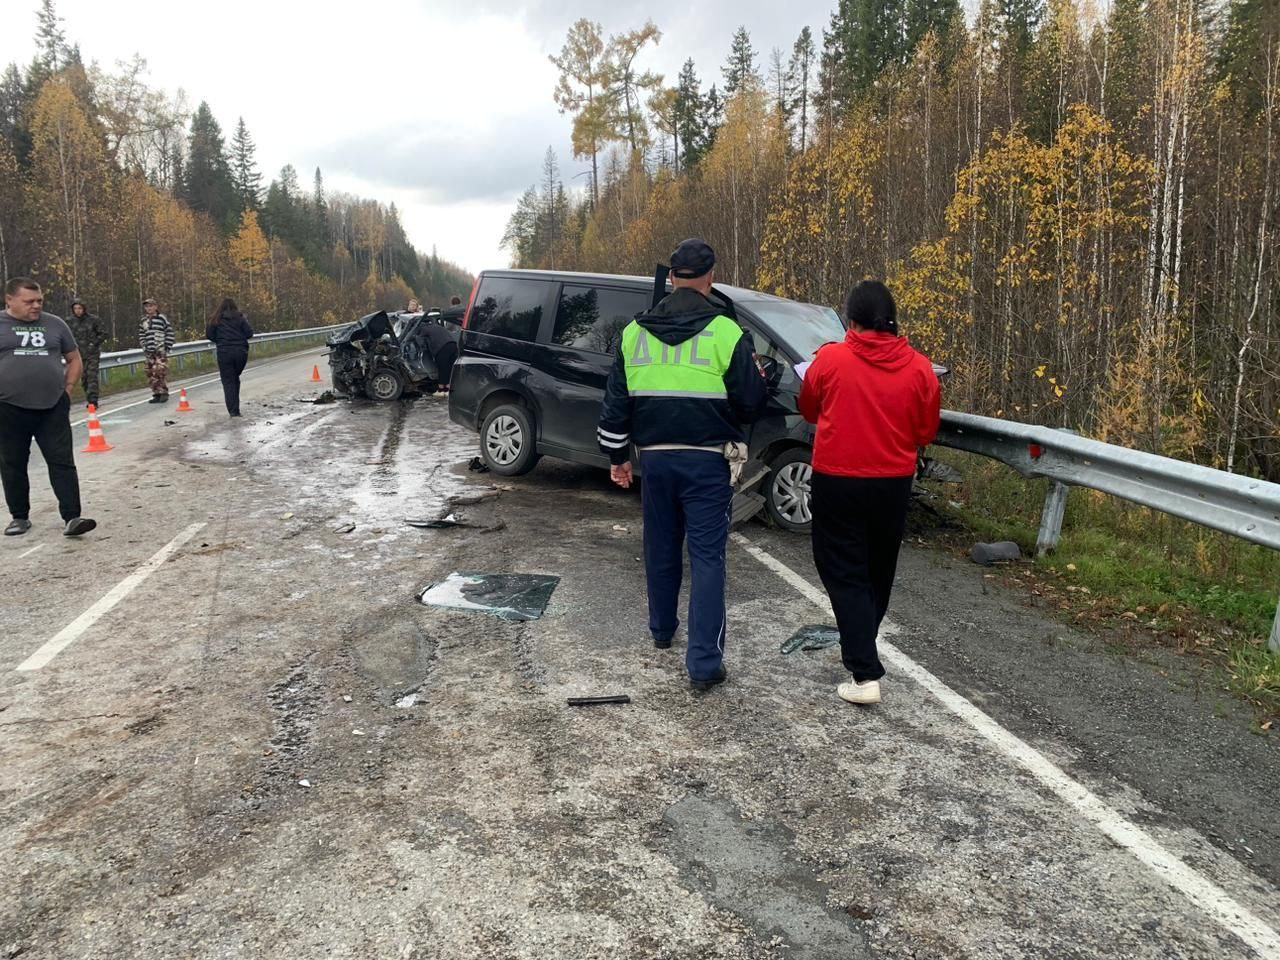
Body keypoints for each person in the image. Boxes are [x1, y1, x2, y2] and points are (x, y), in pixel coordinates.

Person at [599, 238, 769, 692]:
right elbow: (750, 403)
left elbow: (615, 405)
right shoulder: (727, 333)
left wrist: (618, 458)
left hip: (654, 461)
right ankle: (704, 663)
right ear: (710, 277)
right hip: (707, 462)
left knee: (660, 544)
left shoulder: (634, 333)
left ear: (671, 277)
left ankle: (661, 630)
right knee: (708, 557)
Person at [797, 280, 941, 706]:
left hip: (838, 477)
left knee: (841, 568)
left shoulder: (831, 359)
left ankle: (864, 672)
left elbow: (809, 407)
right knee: (878, 568)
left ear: (851, 320)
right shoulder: (920, 368)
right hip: (893, 481)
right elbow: (925, 431)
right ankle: (863, 641)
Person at [0, 278, 97, 537]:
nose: (36, 306)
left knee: (62, 461)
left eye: (39, 301)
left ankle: (72, 517)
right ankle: (19, 517)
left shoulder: (55, 324)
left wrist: (68, 389)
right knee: (13, 463)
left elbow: (74, 358)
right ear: (9, 300)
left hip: (52, 405)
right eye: (29, 301)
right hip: (9, 407)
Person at [206, 298, 254, 417]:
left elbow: (209, 335)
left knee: (228, 381)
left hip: (224, 352)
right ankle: (235, 408)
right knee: (234, 378)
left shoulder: (216, 319)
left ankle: (233, 411)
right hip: (241, 352)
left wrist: (220, 341)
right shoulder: (240, 318)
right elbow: (249, 333)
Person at [68, 298, 107, 409]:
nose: (77, 311)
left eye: (80, 308)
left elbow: (103, 333)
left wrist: (93, 343)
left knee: (91, 376)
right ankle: (88, 397)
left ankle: (93, 401)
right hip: (78, 355)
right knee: (84, 378)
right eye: (75, 308)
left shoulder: (93, 320)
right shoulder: (70, 321)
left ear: (84, 309)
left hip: (92, 354)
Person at [139, 298, 174, 403]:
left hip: (160, 350)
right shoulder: (143, 321)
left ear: (155, 307)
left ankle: (163, 392)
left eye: (151, 306)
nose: (149, 308)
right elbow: (141, 335)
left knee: (159, 371)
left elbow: (169, 332)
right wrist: (144, 346)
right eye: (147, 306)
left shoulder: (161, 318)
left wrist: (167, 346)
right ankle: (156, 393)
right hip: (149, 351)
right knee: (150, 372)